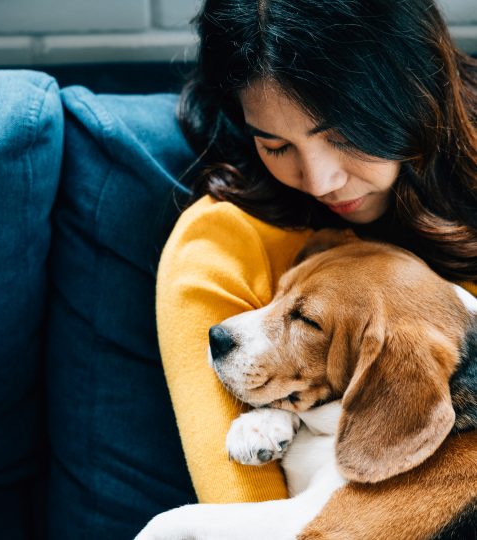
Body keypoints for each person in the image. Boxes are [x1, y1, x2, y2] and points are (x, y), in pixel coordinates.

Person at [156, 0, 477, 505]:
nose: (321, 181)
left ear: (416, 90)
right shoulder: (219, 247)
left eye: (346, 134)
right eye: (276, 146)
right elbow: (241, 502)